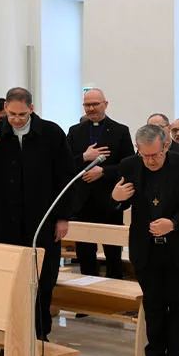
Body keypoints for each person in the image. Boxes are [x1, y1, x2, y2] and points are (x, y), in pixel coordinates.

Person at [0, 87, 77, 340]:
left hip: (42, 219)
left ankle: (40, 334)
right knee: (9, 281)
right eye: (11, 114)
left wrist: (63, 217)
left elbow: (66, 176)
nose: (17, 119)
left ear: (31, 108)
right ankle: (11, 334)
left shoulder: (51, 133)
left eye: (22, 114)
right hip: (4, 221)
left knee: (43, 278)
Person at [104, 125, 179, 356]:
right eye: (144, 155)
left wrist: (173, 223)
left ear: (165, 147)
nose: (150, 161)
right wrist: (116, 197)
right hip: (145, 247)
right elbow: (119, 202)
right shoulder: (129, 165)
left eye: (155, 155)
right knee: (153, 303)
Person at [66, 88, 134, 280]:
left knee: (113, 254)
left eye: (95, 104)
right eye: (87, 105)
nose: (91, 108)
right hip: (82, 202)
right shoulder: (75, 131)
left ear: (105, 104)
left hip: (109, 201)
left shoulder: (120, 131)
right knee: (85, 254)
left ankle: (115, 297)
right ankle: (88, 294)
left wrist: (102, 171)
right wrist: (85, 157)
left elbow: (128, 165)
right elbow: (65, 164)